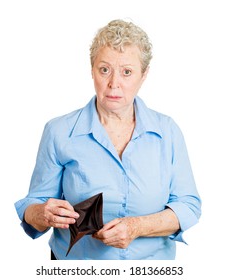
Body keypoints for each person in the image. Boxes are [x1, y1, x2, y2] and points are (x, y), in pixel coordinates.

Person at [15, 19, 201, 260]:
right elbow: (34, 204)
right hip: (78, 268)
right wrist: (41, 213)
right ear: (92, 70)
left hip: (151, 269)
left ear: (143, 75)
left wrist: (138, 227)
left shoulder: (168, 132)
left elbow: (188, 206)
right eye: (105, 70)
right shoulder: (58, 131)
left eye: (127, 72)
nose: (114, 83)